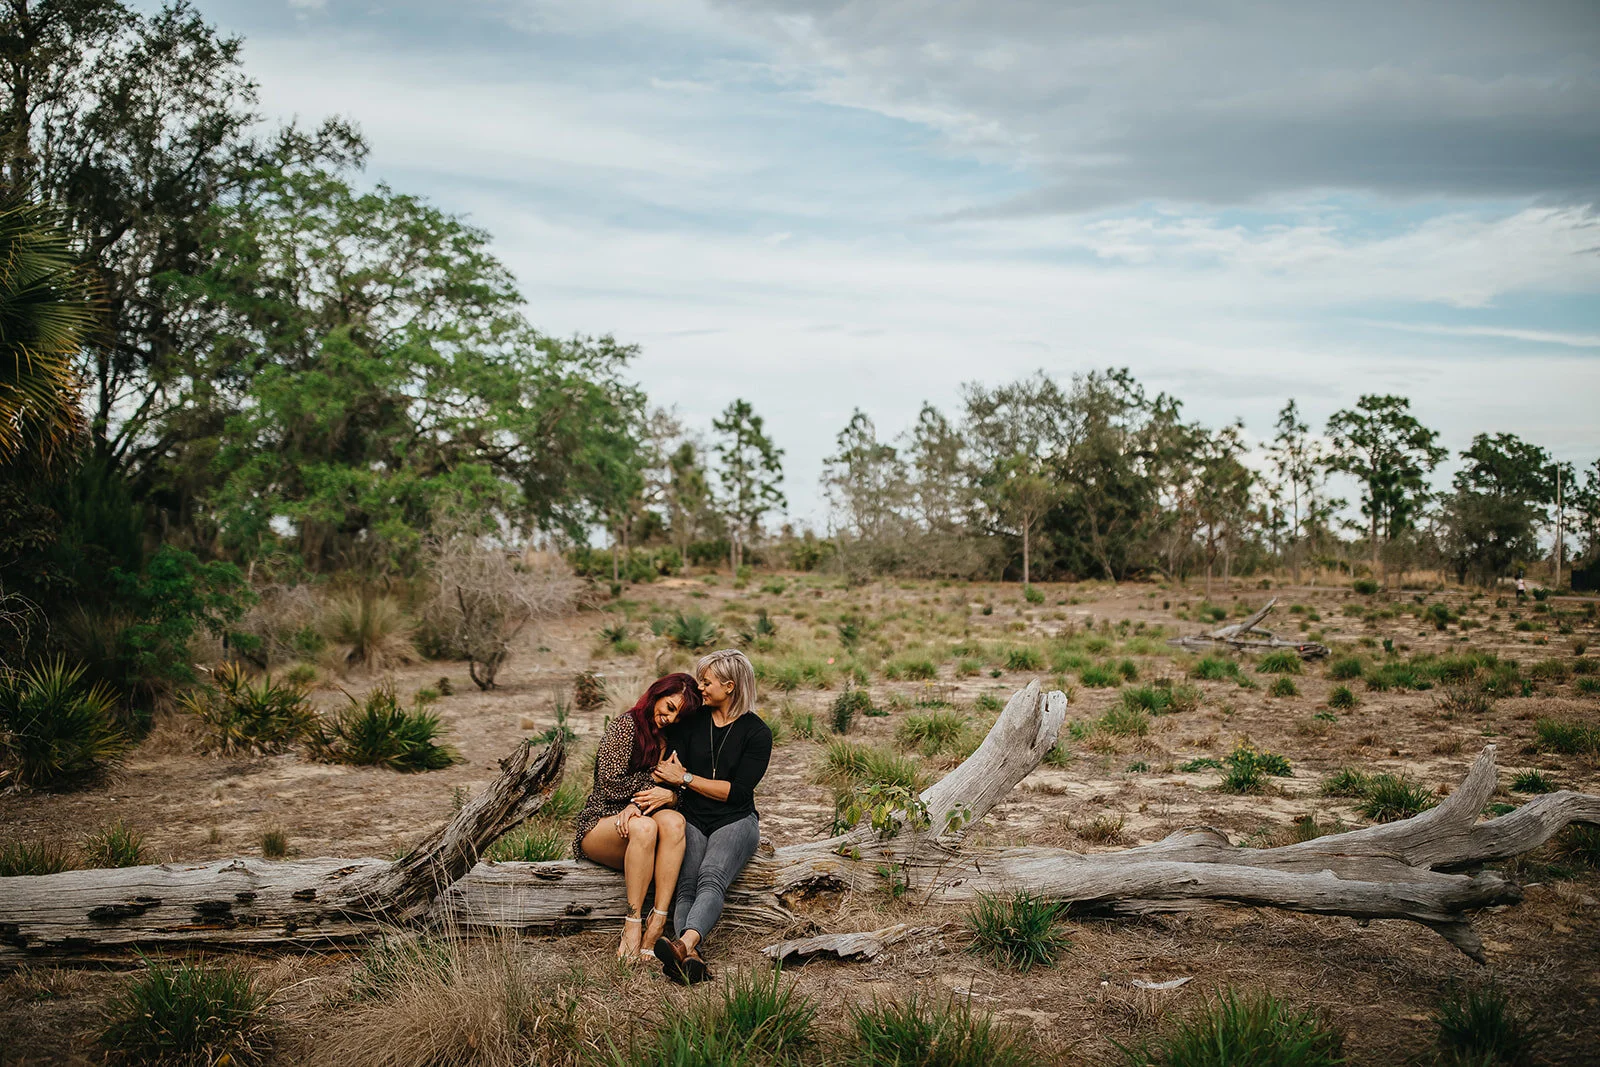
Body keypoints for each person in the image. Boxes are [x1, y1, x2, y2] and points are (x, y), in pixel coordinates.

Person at [647, 648, 772, 984]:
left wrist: (686, 779)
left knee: (712, 876)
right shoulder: (692, 722)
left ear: (729, 687)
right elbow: (669, 770)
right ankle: (691, 956)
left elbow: (737, 792)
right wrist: (680, 781)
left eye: (707, 681)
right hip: (692, 817)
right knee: (686, 883)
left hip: (735, 820)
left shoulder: (757, 733)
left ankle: (683, 941)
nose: (699, 687)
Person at [572, 672, 700, 961]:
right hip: (601, 822)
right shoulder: (625, 726)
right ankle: (632, 924)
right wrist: (651, 785)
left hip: (644, 823)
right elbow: (609, 783)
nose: (669, 718)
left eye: (678, 716)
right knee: (644, 828)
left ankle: (658, 920)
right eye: (668, 708)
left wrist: (672, 795)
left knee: (675, 822)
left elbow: (683, 789)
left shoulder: (674, 739)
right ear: (656, 694)